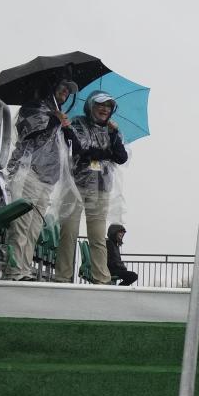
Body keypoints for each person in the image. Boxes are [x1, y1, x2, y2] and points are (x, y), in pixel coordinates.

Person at [2, 79, 77, 281]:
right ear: (51, 87)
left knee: (34, 228)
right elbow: (29, 131)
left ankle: (24, 269)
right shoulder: (33, 107)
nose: (65, 92)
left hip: (47, 179)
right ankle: (14, 270)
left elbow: (69, 147)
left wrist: (67, 129)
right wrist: (55, 121)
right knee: (21, 224)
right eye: (61, 87)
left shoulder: (58, 115)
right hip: (28, 173)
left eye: (68, 91)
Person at [55, 91, 128, 284]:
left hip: (101, 188)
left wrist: (113, 137)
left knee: (97, 236)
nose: (104, 109)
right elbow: (81, 150)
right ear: (91, 106)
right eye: (100, 105)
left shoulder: (112, 131)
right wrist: (105, 153)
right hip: (75, 185)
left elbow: (121, 157)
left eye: (108, 106)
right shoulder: (78, 123)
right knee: (68, 232)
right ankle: (63, 276)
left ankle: (101, 278)